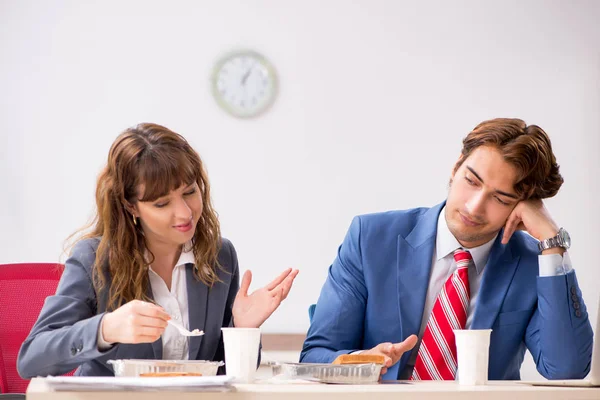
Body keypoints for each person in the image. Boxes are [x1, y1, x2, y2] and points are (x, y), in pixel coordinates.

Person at [300, 118, 593, 381]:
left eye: (501, 199)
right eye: (471, 181)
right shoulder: (371, 238)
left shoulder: (532, 263)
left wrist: (552, 241)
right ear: (456, 167)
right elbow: (316, 355)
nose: (474, 206)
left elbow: (566, 368)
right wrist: (361, 365)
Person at [18, 123, 298, 377]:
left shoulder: (219, 255)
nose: (185, 213)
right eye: (162, 204)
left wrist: (242, 330)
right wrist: (107, 328)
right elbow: (32, 358)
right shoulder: (93, 259)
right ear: (131, 207)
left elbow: (223, 371)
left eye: (189, 192)